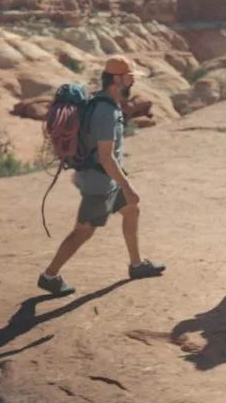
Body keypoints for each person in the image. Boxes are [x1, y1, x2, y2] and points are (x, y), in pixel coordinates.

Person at [38, 55, 165, 296]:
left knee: (131, 210)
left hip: (103, 177)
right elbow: (106, 156)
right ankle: (50, 276)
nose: (132, 83)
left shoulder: (100, 102)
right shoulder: (106, 111)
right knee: (83, 231)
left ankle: (136, 265)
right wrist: (127, 186)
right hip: (100, 181)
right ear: (117, 79)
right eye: (129, 78)